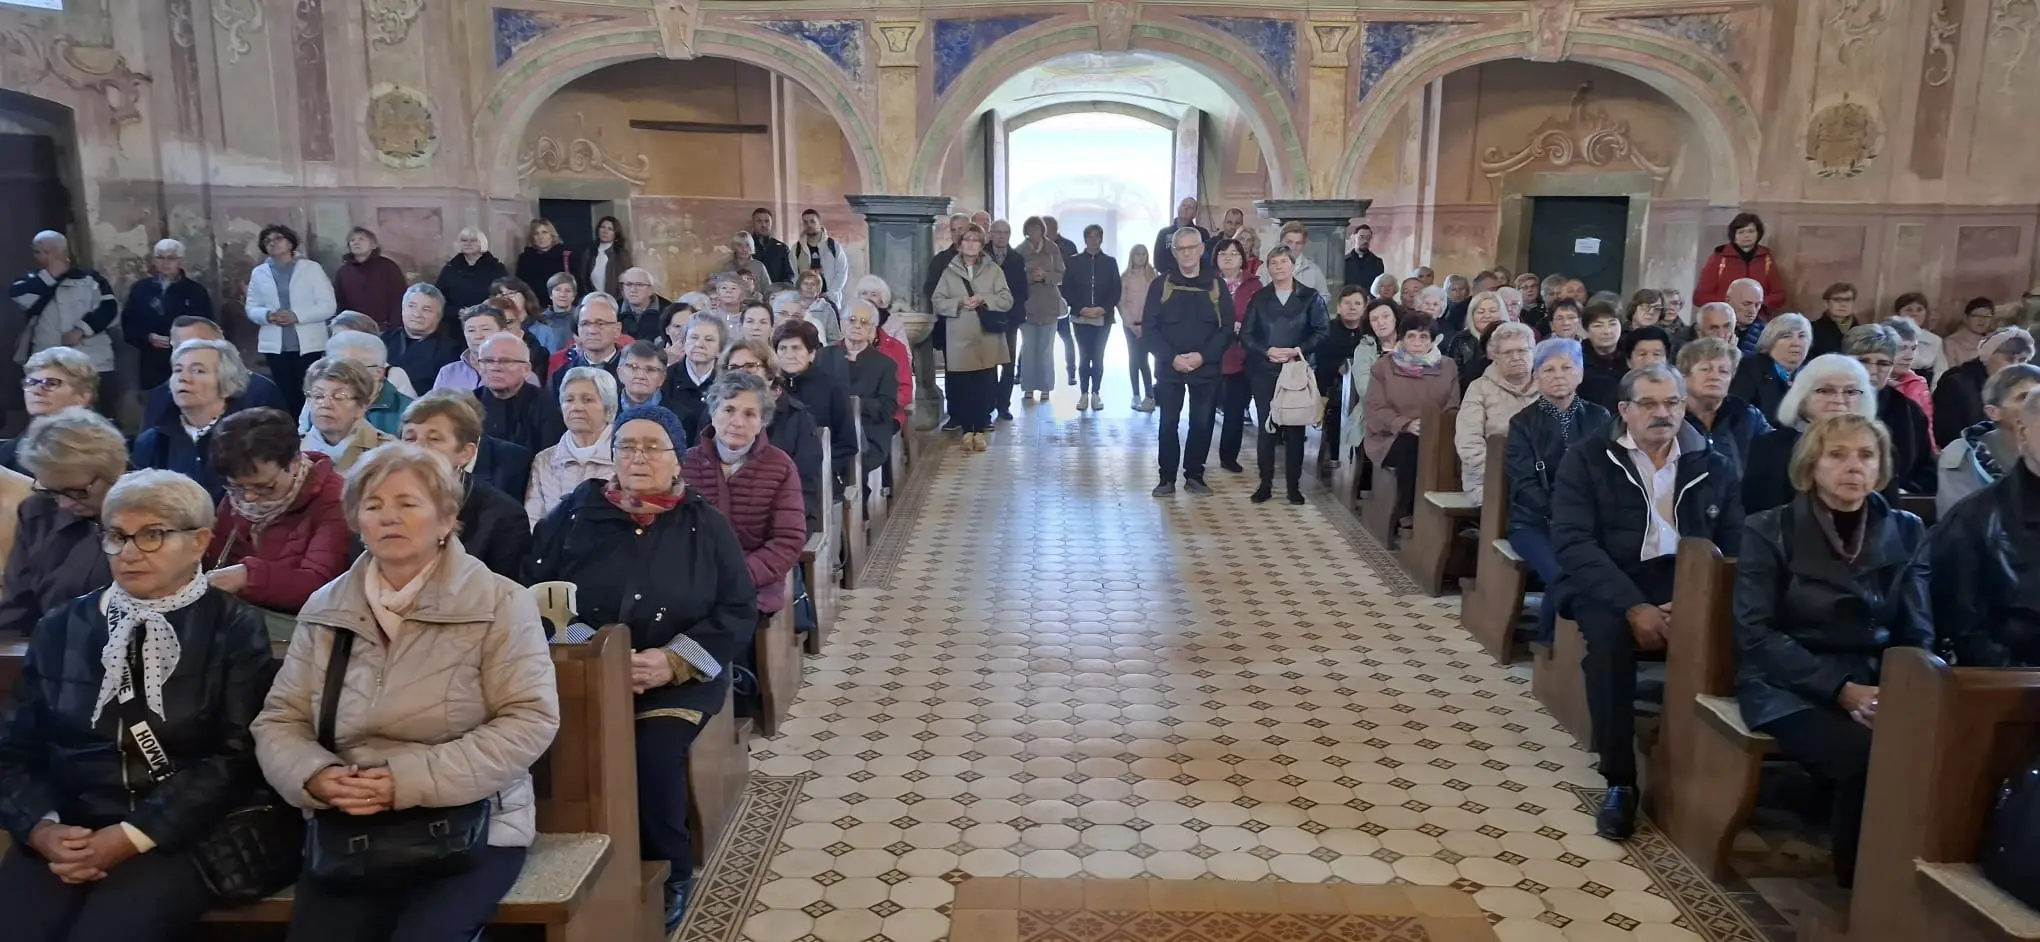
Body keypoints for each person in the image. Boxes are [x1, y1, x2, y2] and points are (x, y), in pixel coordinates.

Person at [252, 443, 558, 942]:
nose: (389, 517)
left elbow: (529, 719)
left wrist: (404, 780)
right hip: (351, 825)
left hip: (472, 822)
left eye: (408, 504)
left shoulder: (499, 601)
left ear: (446, 520)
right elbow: (279, 720)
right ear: (356, 521)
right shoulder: (326, 607)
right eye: (373, 506)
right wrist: (317, 776)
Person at [0, 468, 271, 942]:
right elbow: (17, 750)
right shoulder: (61, 626)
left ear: (199, 541)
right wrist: (41, 828)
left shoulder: (233, 628)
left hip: (182, 834)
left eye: (153, 535)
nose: (128, 552)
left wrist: (131, 836)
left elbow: (235, 760)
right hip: (70, 824)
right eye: (117, 536)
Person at [526, 405, 753, 927]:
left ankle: (668, 870)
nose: (638, 457)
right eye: (627, 446)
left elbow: (737, 609)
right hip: (580, 666)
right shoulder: (578, 513)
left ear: (677, 459)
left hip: (676, 678)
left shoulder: (705, 525)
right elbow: (537, 591)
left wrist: (673, 661)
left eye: (652, 446)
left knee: (651, 753)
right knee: (549, 746)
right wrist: (594, 654)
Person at [1733, 413, 1929, 886]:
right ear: (1811, 465)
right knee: (1868, 757)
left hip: (1879, 679)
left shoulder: (1905, 529)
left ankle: (1915, 882)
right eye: (1837, 455)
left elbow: (1917, 627)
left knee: (1937, 751)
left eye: (1866, 455)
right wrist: (1841, 690)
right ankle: (1861, 890)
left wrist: (1896, 690)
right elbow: (1755, 632)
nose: (1853, 467)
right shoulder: (1769, 529)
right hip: (1788, 683)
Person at [1550, 363, 1743, 840]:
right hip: (1610, 580)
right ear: (1625, 410)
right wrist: (1634, 606)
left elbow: (1736, 545)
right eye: (1650, 404)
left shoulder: (1712, 463)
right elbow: (1575, 543)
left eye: (1673, 403)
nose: (1663, 414)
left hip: (1689, 582)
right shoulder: (1588, 458)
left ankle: (1710, 768)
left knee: (1743, 636)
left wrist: (1693, 600)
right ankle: (1620, 780)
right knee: (1611, 649)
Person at [1504, 338, 1611, 645]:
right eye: (1548, 369)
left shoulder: (1599, 418)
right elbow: (1523, 484)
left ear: (1580, 373)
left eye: (1566, 367)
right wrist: (1561, 513)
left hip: (1588, 523)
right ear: (1536, 377)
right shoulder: (1523, 423)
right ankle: (1550, 644)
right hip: (1533, 523)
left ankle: (1592, 641)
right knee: (1564, 571)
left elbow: (1608, 473)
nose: (1558, 375)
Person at [682, 371, 808, 618]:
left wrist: (739, 576)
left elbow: (788, 539)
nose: (737, 422)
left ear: (763, 421)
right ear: (713, 412)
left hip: (755, 582)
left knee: (729, 622)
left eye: (749, 414)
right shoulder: (685, 463)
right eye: (728, 410)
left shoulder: (780, 466)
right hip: (691, 580)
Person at [205, 407, 349, 617]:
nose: (249, 498)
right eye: (236, 487)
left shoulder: (335, 498)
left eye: (265, 487)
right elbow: (215, 561)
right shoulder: (241, 492)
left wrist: (249, 576)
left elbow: (320, 586)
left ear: (294, 461)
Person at [0, 408, 121, 636]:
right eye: (53, 492)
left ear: (113, 472)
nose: (64, 504)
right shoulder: (37, 511)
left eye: (76, 491)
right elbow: (17, 607)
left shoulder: (147, 509)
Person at [393, 391, 530, 579]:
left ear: (465, 453)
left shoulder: (503, 517)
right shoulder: (378, 502)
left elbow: (503, 597)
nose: (417, 448)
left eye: (434, 439)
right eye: (410, 438)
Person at [1146, 226, 1233, 496]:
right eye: (1180, 249)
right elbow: (1149, 328)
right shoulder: (1161, 284)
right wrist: (1171, 358)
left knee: (1202, 422)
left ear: (1201, 249)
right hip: (1169, 367)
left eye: (1191, 247)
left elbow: (1227, 328)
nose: (1186, 253)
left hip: (1205, 367)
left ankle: (1195, 475)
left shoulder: (1217, 285)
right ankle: (1166, 479)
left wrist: (1202, 356)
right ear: (1174, 252)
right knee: (1168, 423)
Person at [1240, 246, 1328, 504]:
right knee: (1266, 429)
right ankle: (1265, 484)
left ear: (1293, 265)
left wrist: (1297, 350)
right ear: (1268, 268)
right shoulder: (1259, 298)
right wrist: (1266, 351)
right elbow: (1246, 334)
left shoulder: (1310, 297)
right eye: (1273, 263)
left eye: (1283, 262)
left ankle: (1293, 487)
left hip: (1295, 371)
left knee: (1295, 430)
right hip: (1264, 370)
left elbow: (1322, 331)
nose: (1279, 267)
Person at [1744, 354, 1879, 514]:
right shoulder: (1768, 448)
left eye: (1851, 391)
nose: (1839, 399)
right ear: (1802, 397)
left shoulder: (1876, 447)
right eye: (1825, 391)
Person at [1363, 313, 1461, 527]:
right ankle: (1407, 511)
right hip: (1389, 436)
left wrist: (1433, 427)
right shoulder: (1383, 367)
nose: (1417, 343)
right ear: (1402, 338)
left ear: (1433, 340)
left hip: (1437, 433)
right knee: (1413, 447)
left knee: (1447, 452)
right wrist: (1405, 424)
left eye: (1424, 337)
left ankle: (1449, 518)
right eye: (1411, 336)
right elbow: (1374, 409)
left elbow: (1453, 406)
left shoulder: (1448, 367)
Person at [133, 339, 256, 501]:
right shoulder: (152, 440)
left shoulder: (250, 438)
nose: (183, 378)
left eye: (198, 371)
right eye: (177, 370)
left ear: (227, 384)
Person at [10, 232, 118, 415]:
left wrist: (82, 329)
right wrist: (51, 276)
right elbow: (21, 297)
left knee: (96, 414)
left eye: (46, 252)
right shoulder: (30, 281)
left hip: (93, 360)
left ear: (61, 252)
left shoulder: (90, 279)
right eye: (37, 252)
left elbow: (109, 309)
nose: (41, 257)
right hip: (48, 362)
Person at [930, 225, 1013, 452]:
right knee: (963, 386)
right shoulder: (949, 271)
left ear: (981, 244)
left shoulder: (993, 270)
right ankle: (967, 431)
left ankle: (980, 429)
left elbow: (1006, 299)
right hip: (959, 336)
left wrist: (983, 299)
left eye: (976, 240)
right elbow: (937, 300)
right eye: (967, 240)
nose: (971, 244)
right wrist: (958, 302)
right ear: (960, 243)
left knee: (984, 385)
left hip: (986, 336)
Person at [245, 224, 336, 414]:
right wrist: (267, 315)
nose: (273, 243)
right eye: (268, 241)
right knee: (285, 395)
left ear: (290, 242)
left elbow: (328, 305)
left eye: (278, 238)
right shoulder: (259, 272)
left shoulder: (311, 268)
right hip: (275, 345)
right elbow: (251, 307)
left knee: (310, 391)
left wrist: (297, 316)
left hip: (309, 344)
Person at [521, 363, 618, 526]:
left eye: (587, 400)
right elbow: (533, 521)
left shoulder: (625, 456)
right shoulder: (545, 460)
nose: (577, 407)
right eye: (569, 399)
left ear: (609, 409)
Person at [1846, 324, 1936, 496]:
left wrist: (1906, 491)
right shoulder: (1831, 403)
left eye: (1883, 363)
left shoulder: (1909, 410)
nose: (1873, 370)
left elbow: (1927, 468)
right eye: (1863, 361)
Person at [1455, 322, 1538, 503]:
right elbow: (1468, 443)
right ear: (1496, 357)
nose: (1516, 357)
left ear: (1534, 353)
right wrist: (1500, 474)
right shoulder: (1479, 388)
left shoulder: (1547, 388)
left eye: (1522, 351)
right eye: (1507, 352)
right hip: (1490, 478)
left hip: (1540, 477)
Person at [1939, 364, 2040, 513]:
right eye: (2024, 397)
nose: (2036, 406)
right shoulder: (1964, 456)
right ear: (1993, 412)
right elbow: (1962, 522)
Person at [818, 300, 900, 478]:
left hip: (868, 431)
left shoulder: (885, 365)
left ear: (872, 329)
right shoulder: (822, 356)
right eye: (852, 320)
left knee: (853, 462)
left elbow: (887, 408)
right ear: (842, 323)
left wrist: (854, 404)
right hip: (829, 430)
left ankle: (854, 500)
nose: (857, 326)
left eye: (864, 322)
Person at [122, 238, 214, 392]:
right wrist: (148, 337)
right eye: (160, 258)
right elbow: (128, 325)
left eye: (171, 258)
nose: (165, 263)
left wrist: (177, 339)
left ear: (180, 261)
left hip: (187, 362)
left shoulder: (195, 291)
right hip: (151, 365)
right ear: (154, 261)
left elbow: (206, 327)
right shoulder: (141, 289)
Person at [775, 319, 856, 485]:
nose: (789, 355)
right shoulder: (769, 388)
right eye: (782, 348)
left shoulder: (832, 388)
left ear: (811, 353)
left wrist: (820, 467)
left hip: (818, 475)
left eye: (796, 348)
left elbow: (847, 444)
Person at [1212, 238, 1264, 474]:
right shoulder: (1208, 283)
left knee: (1235, 411)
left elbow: (1262, 319)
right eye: (1223, 253)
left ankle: (1229, 456)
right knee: (1203, 412)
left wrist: (1242, 327)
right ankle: (1197, 460)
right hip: (1211, 355)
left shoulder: (1255, 286)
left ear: (1243, 258)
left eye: (1234, 253)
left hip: (1242, 354)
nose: (1229, 257)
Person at [1679, 337, 1771, 470]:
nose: (1715, 376)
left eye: (1723, 371)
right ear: (1683, 375)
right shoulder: (1672, 418)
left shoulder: (1748, 416)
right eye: (1705, 369)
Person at [1935, 326, 2035, 448]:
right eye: (2009, 359)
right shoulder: (1956, 384)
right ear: (1989, 355)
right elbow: (1946, 435)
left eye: (2022, 360)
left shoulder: (2023, 387)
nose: (2015, 365)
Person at [3, 346, 97, 472]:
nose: (36, 391)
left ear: (84, 396)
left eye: (51, 383)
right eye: (31, 382)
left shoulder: (102, 447)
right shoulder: (9, 451)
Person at [1312, 286, 1373, 472]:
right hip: (1331, 384)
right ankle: (1335, 454)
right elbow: (1318, 361)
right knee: (1338, 405)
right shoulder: (1326, 329)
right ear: (1339, 307)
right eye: (1347, 303)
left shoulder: (1369, 332)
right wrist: (1338, 368)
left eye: (1357, 303)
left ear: (1364, 308)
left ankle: (1365, 460)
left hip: (1365, 386)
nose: (1352, 307)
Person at [474, 332, 565, 456]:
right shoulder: (468, 404)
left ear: (526, 369)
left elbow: (549, 459)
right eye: (488, 361)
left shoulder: (547, 406)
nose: (495, 367)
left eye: (505, 361)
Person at [300, 356, 396, 473]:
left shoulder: (388, 452)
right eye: (318, 395)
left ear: (362, 406)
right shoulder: (292, 450)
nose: (325, 404)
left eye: (339, 396)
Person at [1061, 224, 1119, 410]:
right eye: (1090, 237)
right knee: (1085, 356)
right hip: (1081, 316)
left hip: (1103, 317)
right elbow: (1067, 288)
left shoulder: (1110, 262)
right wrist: (1080, 308)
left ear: (1101, 239)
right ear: (1085, 239)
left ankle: (1096, 393)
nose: (1094, 240)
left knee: (1098, 355)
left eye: (1097, 236)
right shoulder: (1074, 261)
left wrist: (1103, 308)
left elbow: (1116, 290)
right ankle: (1083, 393)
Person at [313, 330, 411, 436]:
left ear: (378, 372)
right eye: (335, 369)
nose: (342, 376)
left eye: (352, 369)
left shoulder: (407, 412)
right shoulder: (320, 401)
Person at [1015, 218, 1066, 402]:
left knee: (1046, 348)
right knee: (1028, 348)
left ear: (1042, 230)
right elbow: (1014, 277)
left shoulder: (1052, 249)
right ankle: (1028, 387)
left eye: (1037, 228)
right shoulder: (1019, 251)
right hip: (1027, 305)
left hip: (1049, 304)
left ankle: (1046, 387)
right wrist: (1030, 277)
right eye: (1030, 228)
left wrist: (1046, 276)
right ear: (1026, 231)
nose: (1034, 232)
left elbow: (1061, 274)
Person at [853, 276, 914, 429]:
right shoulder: (848, 334)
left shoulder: (893, 341)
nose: (868, 298)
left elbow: (904, 365)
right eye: (864, 293)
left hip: (886, 403)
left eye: (873, 294)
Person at [1694, 212, 1787, 311]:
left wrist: (1757, 303)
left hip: (1757, 319)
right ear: (1733, 235)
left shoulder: (1766, 258)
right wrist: (1731, 304)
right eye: (1741, 232)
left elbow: (1779, 295)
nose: (1746, 235)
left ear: (1758, 233)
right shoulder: (1719, 258)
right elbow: (1700, 297)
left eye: (1751, 231)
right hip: (1725, 318)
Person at [1729, 312, 1811, 422]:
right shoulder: (1750, 367)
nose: (1796, 343)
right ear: (1771, 341)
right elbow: (1737, 418)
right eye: (1786, 336)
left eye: (1802, 336)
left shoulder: (1810, 375)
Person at [384, 283, 465, 392]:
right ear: (403, 309)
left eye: (426, 309)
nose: (417, 314)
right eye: (411, 306)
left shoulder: (451, 351)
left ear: (438, 316)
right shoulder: (383, 340)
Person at [549, 291, 635, 389]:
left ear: (617, 330)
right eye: (585, 323)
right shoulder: (562, 375)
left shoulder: (633, 372)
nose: (592, 330)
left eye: (600, 323)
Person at [333, 227, 408, 332]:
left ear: (373, 245)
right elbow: (339, 301)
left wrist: (393, 324)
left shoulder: (388, 267)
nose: (356, 242)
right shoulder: (343, 272)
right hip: (354, 329)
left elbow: (399, 297)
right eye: (352, 240)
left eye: (361, 239)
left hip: (385, 328)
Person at [665, 312, 726, 436]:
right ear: (683, 342)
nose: (699, 344)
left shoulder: (728, 382)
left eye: (709, 339)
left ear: (720, 348)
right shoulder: (664, 378)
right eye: (694, 337)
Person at [485, 278, 554, 385]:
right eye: (500, 294)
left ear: (525, 296)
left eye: (510, 293)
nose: (506, 298)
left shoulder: (543, 331)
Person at [1884, 315, 1938, 442]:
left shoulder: (1918, 384)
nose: (1909, 356)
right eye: (1902, 348)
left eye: (1913, 348)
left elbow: (1927, 431)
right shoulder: (1866, 383)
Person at [435, 227, 510, 313]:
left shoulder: (496, 268)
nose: (468, 243)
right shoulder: (450, 269)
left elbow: (506, 297)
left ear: (482, 243)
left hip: (489, 318)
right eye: (464, 240)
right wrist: (458, 311)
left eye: (473, 240)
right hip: (457, 322)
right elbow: (437, 300)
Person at [1445, 291, 1506, 394]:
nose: (1487, 316)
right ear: (1472, 315)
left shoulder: (1512, 337)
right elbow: (1453, 377)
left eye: (1492, 311)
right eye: (1481, 312)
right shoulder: (1461, 340)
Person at [1121, 244, 1158, 412]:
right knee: (1133, 358)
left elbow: (1157, 301)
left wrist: (1147, 324)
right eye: (1138, 254)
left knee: (1144, 359)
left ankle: (1149, 396)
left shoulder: (1153, 276)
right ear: (1132, 256)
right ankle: (1135, 394)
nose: (1141, 257)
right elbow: (1121, 303)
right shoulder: (1125, 277)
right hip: (1130, 325)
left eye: (1144, 254)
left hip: (1148, 325)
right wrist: (1130, 323)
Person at [791, 208, 850, 309]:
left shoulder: (833, 246)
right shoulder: (796, 248)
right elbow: (794, 274)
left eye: (812, 221)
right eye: (805, 222)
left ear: (819, 223)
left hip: (831, 300)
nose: (809, 225)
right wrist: (801, 293)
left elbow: (842, 271)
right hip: (806, 302)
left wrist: (830, 293)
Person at [1576, 302, 1626, 408]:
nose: (1607, 331)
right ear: (1586, 330)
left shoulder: (1632, 356)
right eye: (1598, 325)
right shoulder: (1577, 359)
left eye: (1612, 324)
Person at [577, 215, 630, 299]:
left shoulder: (621, 254)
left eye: (610, 229)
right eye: (603, 227)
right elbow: (582, 279)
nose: (605, 231)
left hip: (617, 302)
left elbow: (627, 281)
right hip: (593, 301)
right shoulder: (589, 253)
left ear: (616, 233)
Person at [1153, 197, 1208, 277]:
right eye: (1183, 205)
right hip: (1169, 277)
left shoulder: (1202, 233)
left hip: (1195, 278)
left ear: (1195, 214)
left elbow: (1205, 259)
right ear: (1178, 208)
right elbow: (1158, 260)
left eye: (1190, 207)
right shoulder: (1164, 233)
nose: (1185, 208)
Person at [514, 218, 573, 290]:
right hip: (534, 300)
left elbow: (576, 285)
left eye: (544, 232)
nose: (540, 237)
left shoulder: (566, 255)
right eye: (536, 233)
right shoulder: (525, 258)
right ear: (532, 237)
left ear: (552, 235)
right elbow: (521, 286)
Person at [1944, 296, 2000, 369]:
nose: (1981, 321)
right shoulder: (1951, 343)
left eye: (1986, 317)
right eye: (1976, 316)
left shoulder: (1995, 343)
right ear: (1966, 318)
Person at [1808, 282, 1860, 358]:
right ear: (1826, 303)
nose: (1843, 304)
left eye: (1848, 300)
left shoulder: (1863, 332)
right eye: (1837, 300)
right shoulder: (1811, 329)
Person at [617, 268, 669, 340]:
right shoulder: (613, 309)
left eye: (639, 285)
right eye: (628, 284)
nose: (633, 290)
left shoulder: (668, 310)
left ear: (651, 289)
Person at [533, 272, 579, 355]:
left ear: (573, 296)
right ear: (550, 294)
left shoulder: (580, 318)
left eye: (567, 291)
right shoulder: (540, 320)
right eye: (558, 290)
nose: (562, 294)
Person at [748, 207, 795, 284]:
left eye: (767, 221)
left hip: (776, 292)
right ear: (753, 223)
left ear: (771, 223)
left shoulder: (781, 247)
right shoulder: (746, 247)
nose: (763, 225)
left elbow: (789, 275)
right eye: (759, 221)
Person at [1278, 222, 1327, 295]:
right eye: (1289, 242)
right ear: (1281, 241)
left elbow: (1324, 296)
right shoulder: (1266, 269)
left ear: (1304, 245)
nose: (1293, 247)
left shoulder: (1314, 271)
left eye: (1298, 243)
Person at [617, 340, 667, 411]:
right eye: (633, 367)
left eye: (650, 369)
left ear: (662, 378)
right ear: (620, 373)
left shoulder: (682, 416)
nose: (640, 376)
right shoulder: (602, 409)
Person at [793, 271, 840, 344]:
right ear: (799, 287)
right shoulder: (792, 307)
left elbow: (835, 339)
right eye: (805, 283)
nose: (809, 287)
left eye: (813, 284)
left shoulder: (826, 309)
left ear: (818, 289)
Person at [1725, 278, 1767, 355]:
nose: (1752, 311)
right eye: (1746, 304)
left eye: (1757, 305)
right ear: (1728, 300)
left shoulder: (1767, 335)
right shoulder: (1710, 327)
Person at [1343, 222, 1385, 295]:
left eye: (1368, 238)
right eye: (1361, 237)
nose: (1365, 241)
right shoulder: (1344, 262)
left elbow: (1379, 287)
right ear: (1354, 237)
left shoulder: (1377, 263)